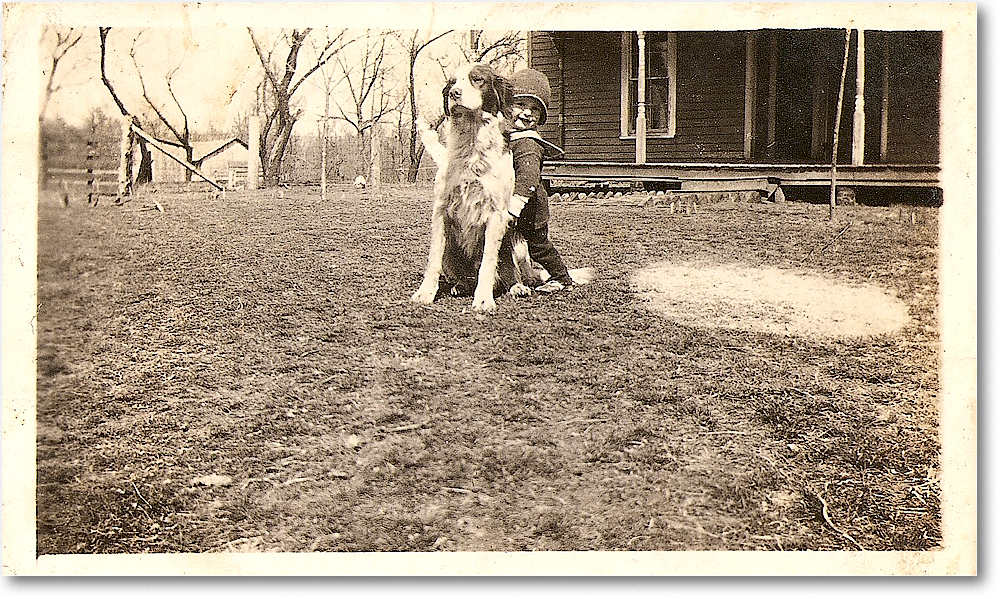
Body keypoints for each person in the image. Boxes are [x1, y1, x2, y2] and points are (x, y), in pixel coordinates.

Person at [506, 68, 576, 294]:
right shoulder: (509, 137)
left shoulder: (527, 143)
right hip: (514, 204)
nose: (527, 113)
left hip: (529, 207)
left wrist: (513, 208)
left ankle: (562, 278)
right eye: (520, 105)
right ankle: (518, 278)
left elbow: (528, 179)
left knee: (538, 246)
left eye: (535, 109)